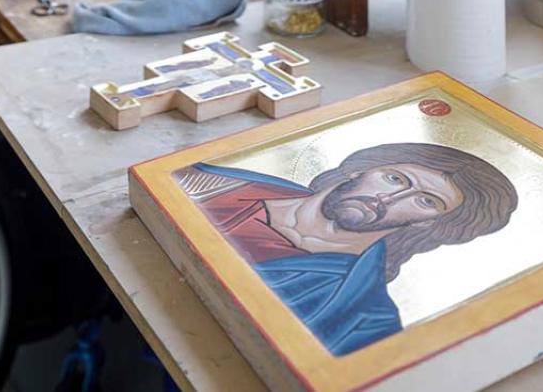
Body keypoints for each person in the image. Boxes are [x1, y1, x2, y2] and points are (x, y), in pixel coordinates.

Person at [177, 142, 518, 356]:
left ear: (426, 224)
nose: (388, 198)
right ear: (360, 170)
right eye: (396, 179)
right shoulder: (211, 185)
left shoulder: (363, 318)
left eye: (426, 201)